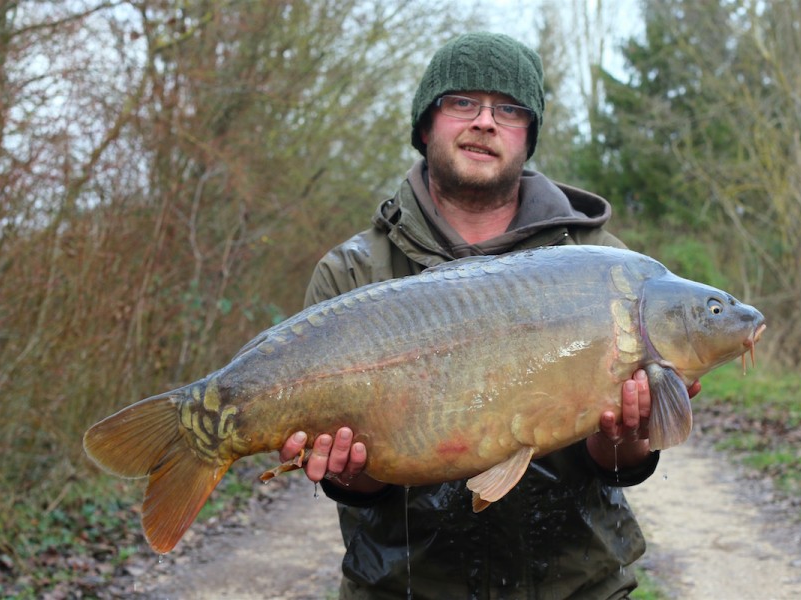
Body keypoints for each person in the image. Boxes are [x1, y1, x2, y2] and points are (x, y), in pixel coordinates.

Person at [280, 32, 699, 599]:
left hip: (577, 588)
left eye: (509, 109)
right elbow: (358, 486)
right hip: (402, 589)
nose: (485, 122)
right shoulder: (351, 275)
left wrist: (625, 436)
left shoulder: (607, 270)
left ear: (529, 136)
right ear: (426, 125)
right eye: (462, 103)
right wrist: (353, 473)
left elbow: (617, 467)